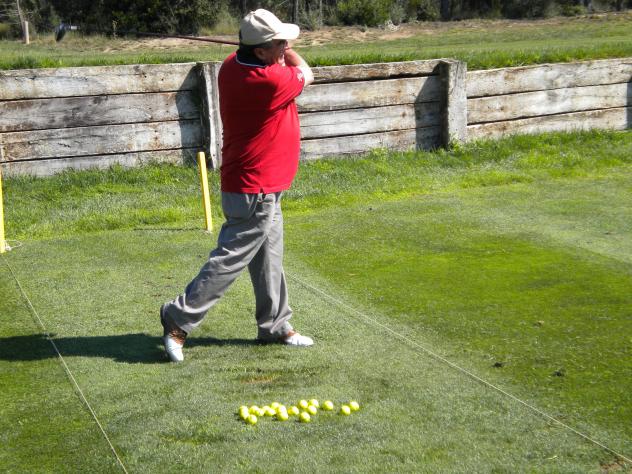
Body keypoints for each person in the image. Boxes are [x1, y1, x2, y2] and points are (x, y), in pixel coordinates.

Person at [159, 9, 315, 362]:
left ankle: (275, 325)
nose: (284, 47)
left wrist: (278, 48)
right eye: (278, 43)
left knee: (269, 259)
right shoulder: (268, 81)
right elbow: (308, 73)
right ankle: (178, 317)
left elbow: (274, 59)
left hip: (264, 185)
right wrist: (290, 52)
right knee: (229, 260)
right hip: (254, 188)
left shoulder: (232, 65)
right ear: (259, 51)